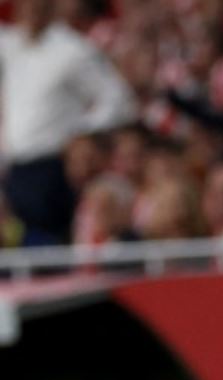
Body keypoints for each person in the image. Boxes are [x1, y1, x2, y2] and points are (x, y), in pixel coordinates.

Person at [0, 0, 137, 245]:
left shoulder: (72, 49)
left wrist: (79, 132)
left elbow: (119, 100)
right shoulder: (10, 45)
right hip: (16, 169)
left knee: (50, 250)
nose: (32, 10)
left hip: (54, 165)